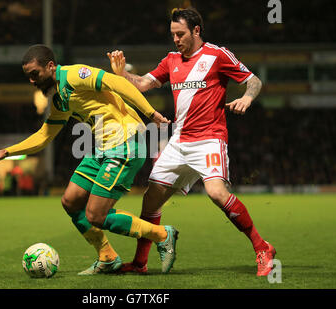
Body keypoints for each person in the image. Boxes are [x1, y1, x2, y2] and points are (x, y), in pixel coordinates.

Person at [107, 8, 275, 276]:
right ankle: (140, 263)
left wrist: (247, 98)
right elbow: (142, 84)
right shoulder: (171, 60)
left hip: (209, 139)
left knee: (217, 194)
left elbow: (253, 80)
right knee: (151, 201)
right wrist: (122, 76)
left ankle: (262, 247)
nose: (176, 39)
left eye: (180, 34)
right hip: (178, 141)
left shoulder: (217, 55)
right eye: (173, 34)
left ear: (196, 30)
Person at [0, 44, 179, 275]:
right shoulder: (60, 99)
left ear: (50, 66)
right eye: (28, 77)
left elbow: (115, 82)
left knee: (96, 215)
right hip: (100, 149)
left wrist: (150, 113)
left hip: (126, 142)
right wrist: (7, 151)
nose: (32, 81)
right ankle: (107, 256)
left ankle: (163, 235)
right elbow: (45, 135)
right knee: (70, 201)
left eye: (34, 74)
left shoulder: (74, 74)